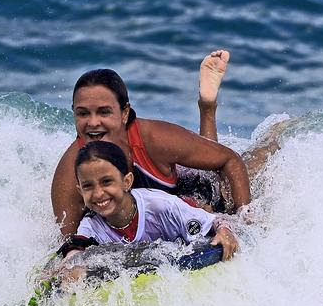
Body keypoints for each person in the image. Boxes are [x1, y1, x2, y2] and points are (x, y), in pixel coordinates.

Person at [51, 50, 251, 236]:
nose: (93, 123)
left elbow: (229, 159)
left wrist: (243, 222)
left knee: (216, 186)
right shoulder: (70, 174)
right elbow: (70, 242)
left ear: (124, 113)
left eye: (104, 112)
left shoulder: (155, 139)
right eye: (83, 113)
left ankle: (207, 106)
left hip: (184, 191)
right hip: (138, 217)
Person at [61, 140, 238, 266]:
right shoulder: (91, 225)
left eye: (107, 182)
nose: (98, 193)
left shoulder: (161, 206)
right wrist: (67, 266)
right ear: (80, 191)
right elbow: (76, 247)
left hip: (194, 201)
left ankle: (207, 109)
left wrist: (225, 230)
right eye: (88, 186)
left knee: (222, 202)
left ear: (127, 182)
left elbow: (214, 222)